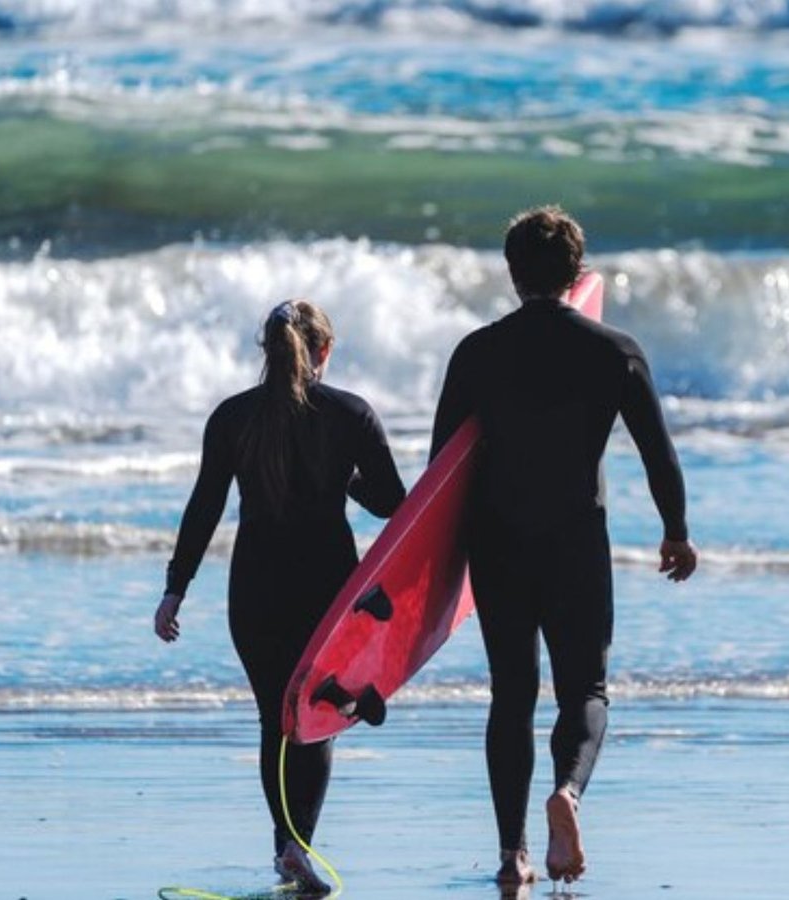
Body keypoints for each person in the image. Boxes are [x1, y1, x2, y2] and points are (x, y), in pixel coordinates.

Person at [430, 206, 698, 888]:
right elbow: (658, 456)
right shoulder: (615, 350)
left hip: (497, 540)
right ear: (579, 273)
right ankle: (568, 794)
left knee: (511, 694)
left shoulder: (477, 352)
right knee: (586, 688)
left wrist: (436, 574)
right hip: (576, 537)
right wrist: (676, 532)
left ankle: (513, 853)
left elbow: (440, 474)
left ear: (512, 274)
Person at [154, 299, 404, 897]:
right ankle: (298, 846)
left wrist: (174, 589)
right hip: (327, 590)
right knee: (316, 719)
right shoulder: (351, 415)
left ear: (267, 353)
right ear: (323, 351)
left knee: (276, 719)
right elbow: (394, 502)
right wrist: (345, 479)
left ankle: (284, 846)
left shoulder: (233, 417)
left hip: (256, 590)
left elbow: (204, 509)